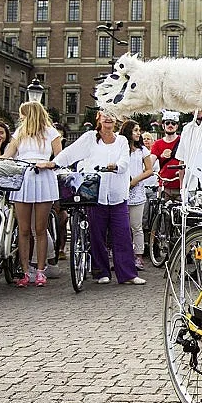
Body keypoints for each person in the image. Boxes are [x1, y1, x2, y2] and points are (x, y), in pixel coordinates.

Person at [39, 111, 145, 285]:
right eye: (105, 115)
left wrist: (116, 166)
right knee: (96, 234)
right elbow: (70, 153)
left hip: (118, 194)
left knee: (123, 234)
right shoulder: (90, 138)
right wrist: (54, 163)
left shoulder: (122, 141)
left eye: (112, 115)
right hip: (95, 193)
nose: (109, 118)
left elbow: (125, 161)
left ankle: (128, 274)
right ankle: (101, 272)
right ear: (99, 118)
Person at [2, 101, 62, 287]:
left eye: (23, 114)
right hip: (23, 178)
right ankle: (26, 270)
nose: (21, 118)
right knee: (24, 229)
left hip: (43, 176)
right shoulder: (20, 133)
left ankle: (41, 270)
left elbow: (60, 157)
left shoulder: (51, 133)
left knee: (40, 229)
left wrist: (49, 164)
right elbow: (7, 156)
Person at [120, 120, 154, 270]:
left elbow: (149, 170)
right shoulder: (121, 148)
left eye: (139, 130)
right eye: (135, 130)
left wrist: (135, 180)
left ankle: (138, 255)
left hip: (137, 191)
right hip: (121, 190)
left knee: (136, 225)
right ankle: (123, 256)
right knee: (122, 226)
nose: (138, 133)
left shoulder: (142, 150)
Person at [150, 111, 182, 202]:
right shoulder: (157, 144)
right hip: (164, 185)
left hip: (180, 185)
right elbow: (151, 159)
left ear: (177, 126)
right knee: (161, 212)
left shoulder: (183, 141)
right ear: (163, 125)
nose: (170, 125)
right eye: (167, 123)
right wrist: (147, 169)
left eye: (173, 123)